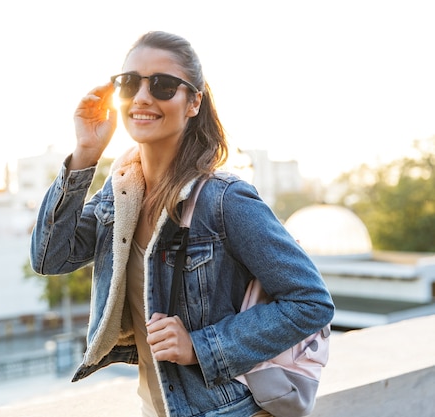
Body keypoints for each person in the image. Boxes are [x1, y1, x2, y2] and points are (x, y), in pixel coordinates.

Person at [30, 31, 334, 417]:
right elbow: (50, 258)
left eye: (162, 85)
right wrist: (85, 154)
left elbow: (310, 301)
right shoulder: (122, 192)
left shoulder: (224, 199)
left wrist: (200, 347)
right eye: (129, 83)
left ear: (193, 102)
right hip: (158, 408)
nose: (142, 97)